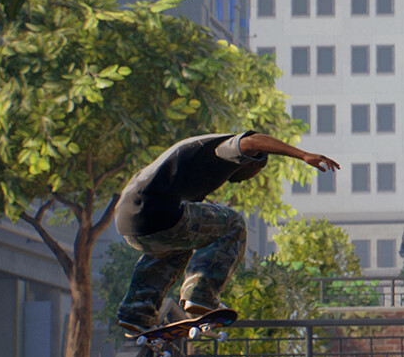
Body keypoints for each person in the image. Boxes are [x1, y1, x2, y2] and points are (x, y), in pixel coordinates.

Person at [114, 132, 338, 337]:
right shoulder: (223, 150)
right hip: (157, 213)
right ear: (251, 163)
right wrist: (303, 155)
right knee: (233, 223)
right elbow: (253, 141)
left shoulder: (196, 160)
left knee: (179, 243)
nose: (247, 179)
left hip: (129, 220)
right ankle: (201, 294)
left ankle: (138, 311)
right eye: (255, 172)